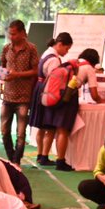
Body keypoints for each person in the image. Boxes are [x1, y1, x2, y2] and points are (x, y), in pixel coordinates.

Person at [0, 20, 39, 164]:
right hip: (7, 96)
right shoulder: (6, 48)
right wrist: (3, 78)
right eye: (10, 33)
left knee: (21, 133)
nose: (11, 36)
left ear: (22, 33)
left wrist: (18, 75)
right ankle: (11, 158)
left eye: (14, 34)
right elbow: (1, 67)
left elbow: (35, 71)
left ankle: (16, 162)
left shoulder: (31, 49)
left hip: (23, 97)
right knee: (4, 130)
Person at [29, 33, 72, 167]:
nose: (67, 51)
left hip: (40, 88)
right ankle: (44, 156)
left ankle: (40, 154)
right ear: (60, 44)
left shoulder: (46, 53)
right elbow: (55, 79)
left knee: (41, 127)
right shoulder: (54, 59)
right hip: (48, 91)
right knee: (49, 126)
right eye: (67, 48)